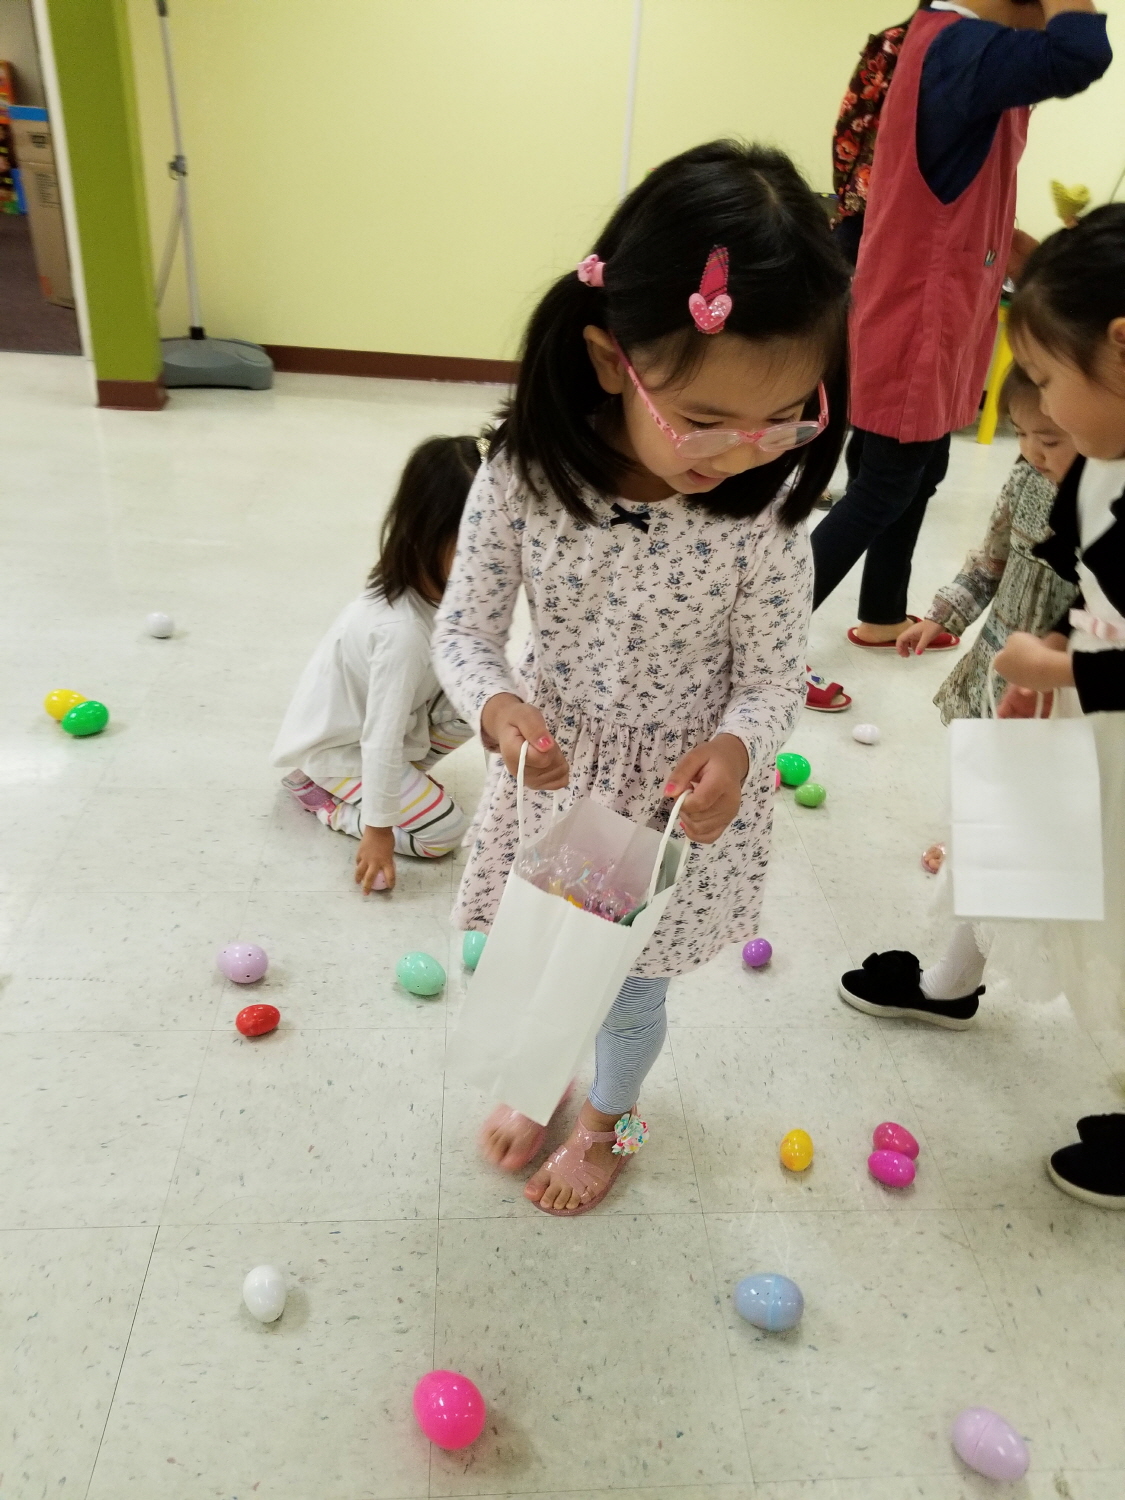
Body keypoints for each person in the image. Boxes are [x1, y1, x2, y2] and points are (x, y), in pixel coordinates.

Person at [433, 141, 850, 1216]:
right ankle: (540, 1079)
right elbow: (464, 629)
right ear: (612, 359)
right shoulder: (523, 479)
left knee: (627, 994)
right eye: (705, 420)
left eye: (784, 418)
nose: (744, 451)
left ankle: (612, 1122)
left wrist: (738, 750)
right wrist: (496, 705)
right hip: (556, 785)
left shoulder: (764, 517)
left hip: (670, 816)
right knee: (536, 958)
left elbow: (772, 679)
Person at [839, 207, 1125, 1206]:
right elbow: (1028, 566)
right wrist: (1030, 660)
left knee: (1099, 913)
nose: (1041, 430)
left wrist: (1059, 668)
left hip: (1090, 723)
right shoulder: (1079, 464)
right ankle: (947, 985)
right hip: (1058, 714)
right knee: (994, 835)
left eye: (1046, 382)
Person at [810, 0, 1111, 673]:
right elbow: (1078, 53)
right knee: (882, 486)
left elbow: (949, 198)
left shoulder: (949, 50)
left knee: (917, 474)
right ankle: (755, 646)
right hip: (916, 318)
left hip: (938, 310)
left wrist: (1014, 246)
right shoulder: (959, 48)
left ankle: (881, 613)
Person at [272, 435, 480, 894]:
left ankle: (393, 787)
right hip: (342, 751)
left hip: (389, 728)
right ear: (427, 533)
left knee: (481, 699)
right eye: (474, 543)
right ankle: (328, 802)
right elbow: (381, 740)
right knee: (446, 833)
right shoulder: (400, 631)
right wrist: (378, 830)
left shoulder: (433, 587)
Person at [896, 362, 1078, 720]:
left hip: (1061, 670)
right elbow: (990, 562)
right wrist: (942, 616)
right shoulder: (1024, 479)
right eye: (1020, 433)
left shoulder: (1103, 506)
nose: (1032, 452)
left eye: (1049, 440)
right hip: (1003, 651)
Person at [830, 13, 914, 267]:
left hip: (875, 199)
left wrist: (846, 192)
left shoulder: (895, 43)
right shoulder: (894, 44)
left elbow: (850, 123)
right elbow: (852, 122)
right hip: (874, 204)